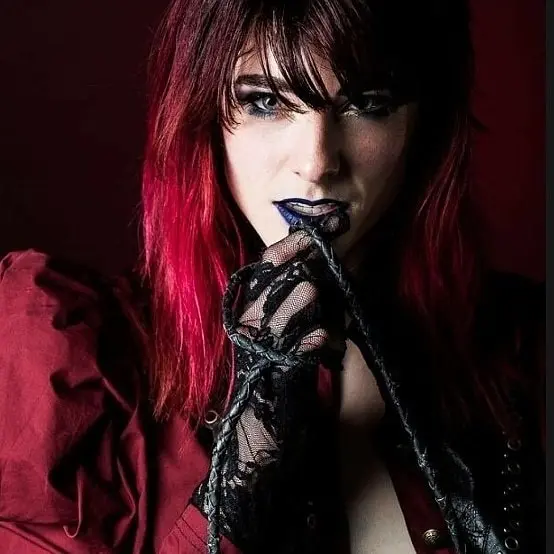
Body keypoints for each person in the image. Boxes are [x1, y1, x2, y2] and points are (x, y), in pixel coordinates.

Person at [0, 0, 544, 553]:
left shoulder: (519, 348)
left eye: (366, 103)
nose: (317, 162)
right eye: (265, 101)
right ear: (201, 116)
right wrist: (244, 481)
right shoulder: (77, 366)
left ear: (422, 123)